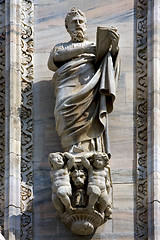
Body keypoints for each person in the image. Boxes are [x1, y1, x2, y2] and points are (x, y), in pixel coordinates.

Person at [48, 7, 120, 157]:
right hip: (66, 86)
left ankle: (89, 154)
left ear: (86, 25)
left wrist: (114, 48)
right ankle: (70, 152)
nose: (78, 24)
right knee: (62, 112)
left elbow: (108, 66)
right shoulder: (61, 47)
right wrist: (84, 48)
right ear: (68, 27)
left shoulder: (96, 46)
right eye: (74, 22)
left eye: (81, 21)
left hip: (89, 88)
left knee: (87, 117)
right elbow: (55, 59)